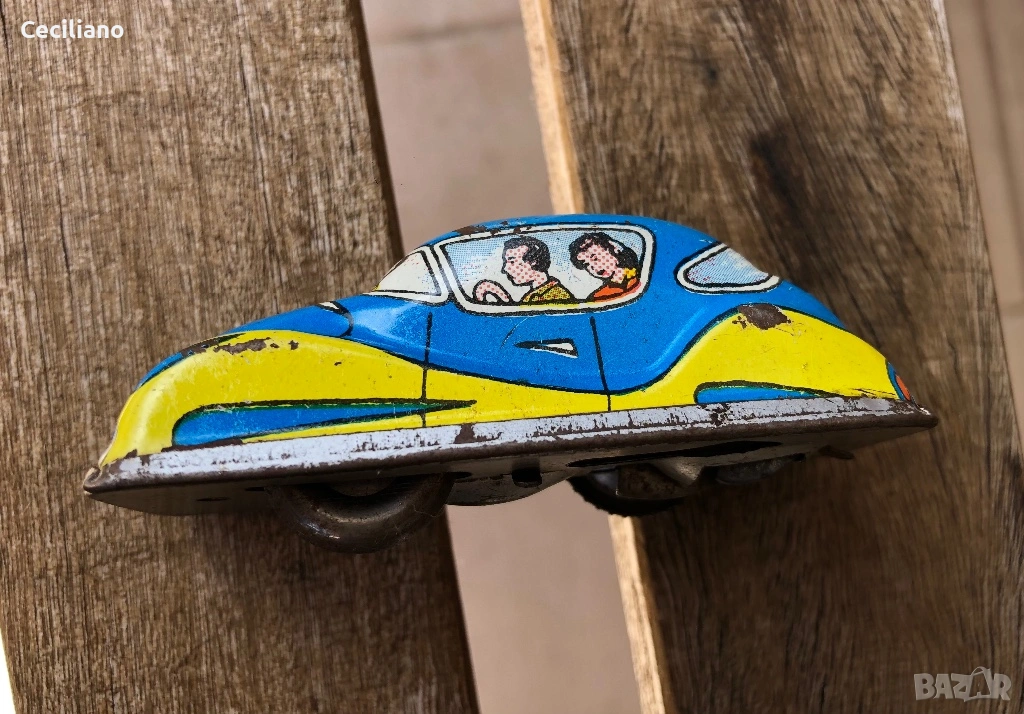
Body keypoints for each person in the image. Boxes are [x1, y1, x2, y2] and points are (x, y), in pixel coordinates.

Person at [473, 237, 574, 304]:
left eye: (512, 262)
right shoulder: (535, 294)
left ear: (533, 261)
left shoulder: (555, 296)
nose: (505, 269)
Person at [568, 232, 641, 300]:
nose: (595, 268)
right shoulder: (598, 296)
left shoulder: (642, 271)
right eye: (587, 264)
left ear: (613, 247)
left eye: (595, 258)